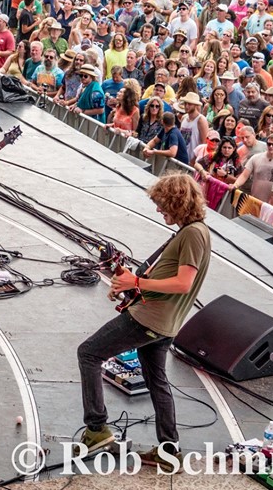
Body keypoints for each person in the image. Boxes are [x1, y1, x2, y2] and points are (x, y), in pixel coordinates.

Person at [78, 172, 211, 467]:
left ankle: (97, 428)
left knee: (88, 353)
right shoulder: (192, 231)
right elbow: (165, 279)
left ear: (177, 203)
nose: (159, 210)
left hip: (149, 320)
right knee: (156, 381)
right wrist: (131, 286)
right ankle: (168, 450)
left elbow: (182, 283)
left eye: (163, 204)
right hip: (164, 323)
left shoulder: (192, 234)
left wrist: (136, 282)